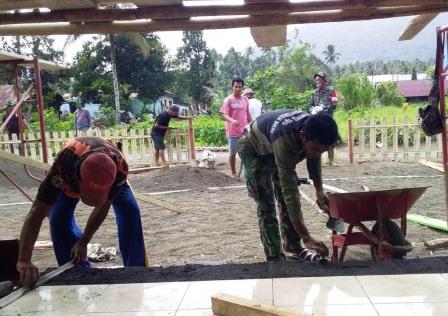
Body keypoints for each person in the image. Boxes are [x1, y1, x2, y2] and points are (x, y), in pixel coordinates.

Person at [16, 136, 147, 287]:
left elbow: (103, 206)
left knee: (130, 210)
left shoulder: (119, 168)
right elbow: (36, 213)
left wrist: (84, 241)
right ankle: (76, 271)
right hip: (70, 176)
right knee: (58, 218)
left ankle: (135, 270)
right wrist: (24, 260)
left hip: (110, 174)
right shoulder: (62, 167)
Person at [239, 110, 339, 261]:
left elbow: (314, 159)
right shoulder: (286, 140)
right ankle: (274, 256)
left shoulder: (314, 132)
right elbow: (290, 192)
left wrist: (319, 190)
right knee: (266, 204)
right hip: (253, 148)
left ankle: (293, 247)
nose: (318, 154)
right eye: (316, 149)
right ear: (302, 137)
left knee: (287, 202)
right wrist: (306, 237)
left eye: (323, 151)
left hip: (274, 145)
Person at [220, 78, 252, 179]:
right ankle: (233, 173)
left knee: (247, 151)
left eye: (240, 87)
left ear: (242, 88)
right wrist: (232, 120)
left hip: (244, 131)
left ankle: (248, 172)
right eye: (236, 87)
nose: (238, 89)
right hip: (232, 132)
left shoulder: (245, 100)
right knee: (233, 153)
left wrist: (252, 124)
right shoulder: (228, 100)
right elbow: (223, 114)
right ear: (232, 87)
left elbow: (248, 113)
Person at [308, 72, 338, 166]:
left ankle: (331, 160)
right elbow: (309, 105)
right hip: (317, 120)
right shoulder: (314, 93)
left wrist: (323, 107)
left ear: (324, 80)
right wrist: (313, 109)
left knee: (330, 138)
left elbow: (334, 104)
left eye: (318, 79)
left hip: (328, 119)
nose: (316, 81)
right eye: (316, 80)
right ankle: (317, 161)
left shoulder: (332, 92)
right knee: (316, 139)